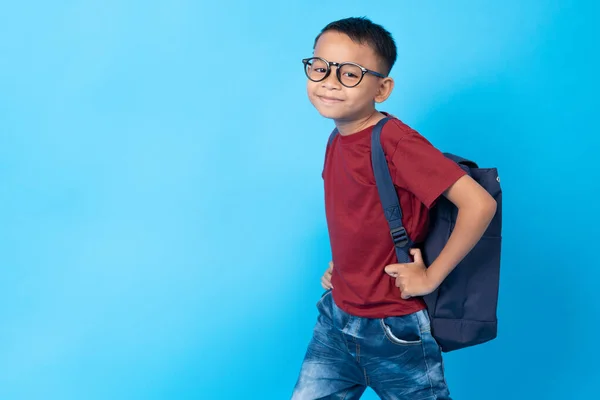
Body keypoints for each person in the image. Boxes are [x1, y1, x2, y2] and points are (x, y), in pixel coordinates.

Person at [291, 17, 497, 400]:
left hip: (393, 330)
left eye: (350, 73)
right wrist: (346, 263)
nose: (330, 81)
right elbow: (363, 216)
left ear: (382, 88)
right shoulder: (338, 138)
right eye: (321, 68)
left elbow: (479, 204)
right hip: (336, 320)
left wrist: (431, 277)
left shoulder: (395, 142)